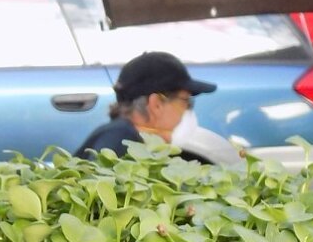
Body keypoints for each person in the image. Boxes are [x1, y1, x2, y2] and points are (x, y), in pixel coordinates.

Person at [79, 51, 216, 162]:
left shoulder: (127, 137)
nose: (188, 110)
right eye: (186, 102)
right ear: (156, 104)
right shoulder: (120, 140)